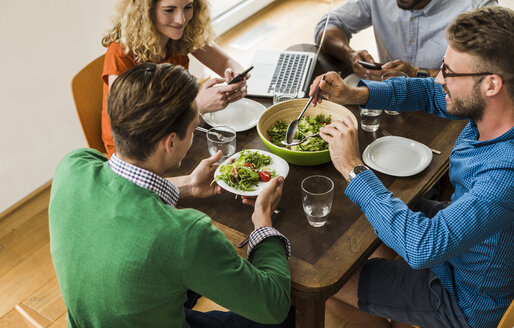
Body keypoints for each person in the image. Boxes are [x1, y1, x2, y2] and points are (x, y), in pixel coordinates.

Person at [309, 6, 513, 328]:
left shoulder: (505, 175)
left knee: (326, 280)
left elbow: (423, 246)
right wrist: (355, 94)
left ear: (491, 84)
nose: (439, 79)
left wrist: (352, 167)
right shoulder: (494, 111)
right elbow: (429, 92)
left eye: (450, 72)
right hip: (463, 245)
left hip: (465, 299)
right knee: (366, 219)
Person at [49, 63, 293, 327]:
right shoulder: (186, 235)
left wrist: (187, 185)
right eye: (193, 128)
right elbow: (273, 305)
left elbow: (121, 185)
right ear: (171, 142)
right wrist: (263, 223)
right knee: (287, 312)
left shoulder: (72, 165)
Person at [101, 0, 249, 157]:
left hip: (175, 127)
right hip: (135, 149)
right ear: (146, 11)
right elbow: (132, 128)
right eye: (169, 10)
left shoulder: (181, 33)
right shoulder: (120, 53)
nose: (181, 19)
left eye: (188, 7)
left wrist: (236, 77)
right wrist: (197, 107)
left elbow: (227, 63)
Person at [315, 0, 496, 81]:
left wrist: (418, 73)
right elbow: (329, 23)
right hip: (391, 101)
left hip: (448, 109)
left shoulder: (477, 8)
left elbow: (484, 76)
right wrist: (349, 54)